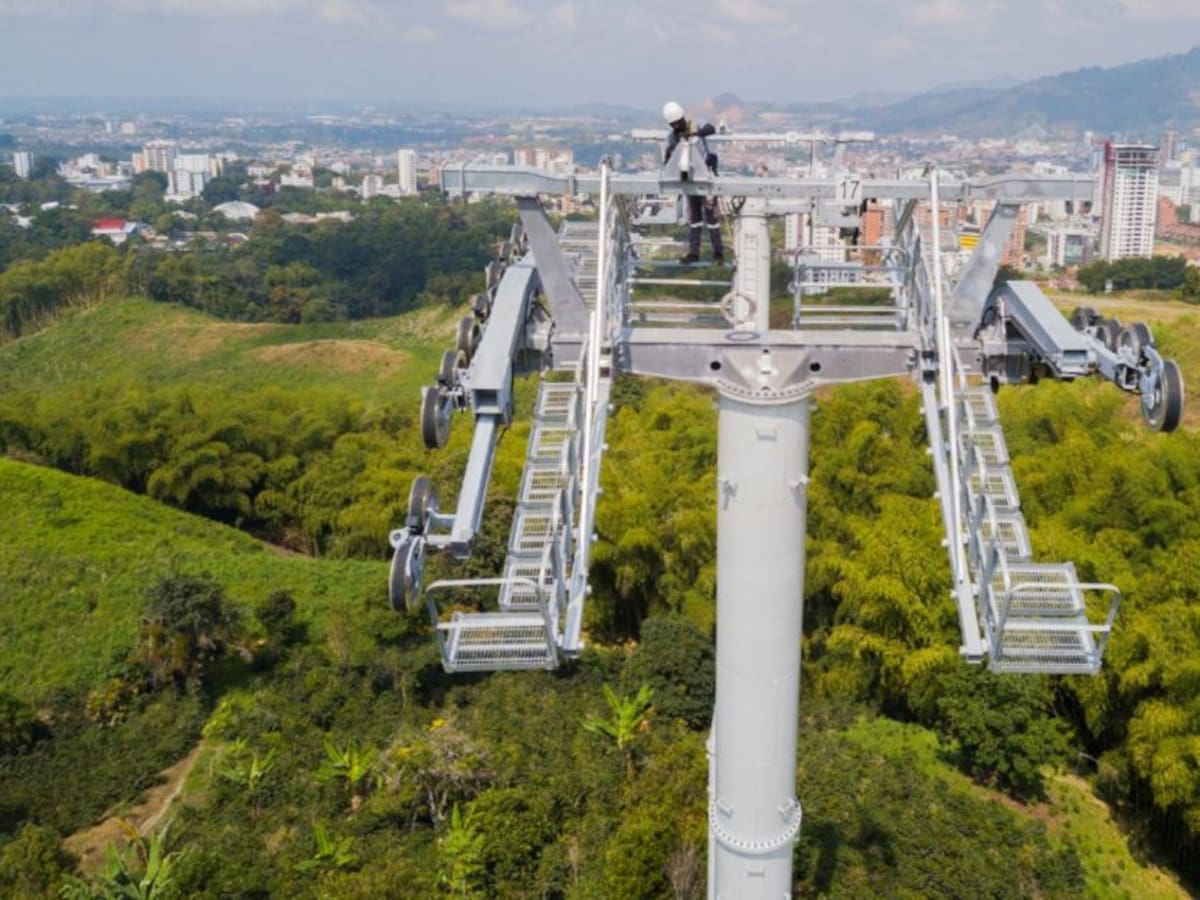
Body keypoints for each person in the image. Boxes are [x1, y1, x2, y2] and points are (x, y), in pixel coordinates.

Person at [662, 100, 724, 265]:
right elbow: (669, 159)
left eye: (678, 123)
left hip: (705, 177)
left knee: (711, 218)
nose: (676, 126)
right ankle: (694, 252)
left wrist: (696, 134)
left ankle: (718, 254)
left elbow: (711, 129)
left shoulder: (695, 124)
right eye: (673, 124)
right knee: (695, 219)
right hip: (689, 180)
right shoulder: (672, 138)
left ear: (683, 117)